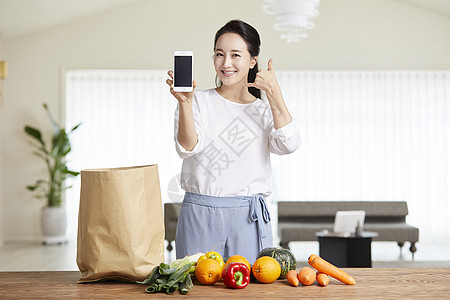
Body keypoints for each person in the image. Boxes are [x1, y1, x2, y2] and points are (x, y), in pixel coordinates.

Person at [166, 20, 301, 263]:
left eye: (235, 55)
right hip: (199, 213)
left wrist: (275, 93)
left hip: (248, 218)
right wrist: (184, 103)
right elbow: (187, 148)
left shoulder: (264, 109)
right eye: (219, 54)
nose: (226, 63)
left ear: (252, 61)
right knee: (197, 288)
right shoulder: (196, 101)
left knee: (250, 288)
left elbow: (288, 144)